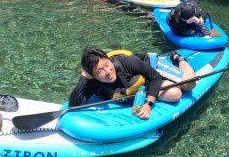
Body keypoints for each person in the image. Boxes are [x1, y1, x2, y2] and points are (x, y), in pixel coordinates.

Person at [68, 48, 196, 120]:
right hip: (140, 85)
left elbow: (154, 77)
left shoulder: (126, 62)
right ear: (92, 75)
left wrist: (148, 104)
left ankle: (179, 59)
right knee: (175, 94)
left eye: (107, 64)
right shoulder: (93, 81)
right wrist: (84, 77)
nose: (108, 72)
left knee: (189, 84)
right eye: (100, 71)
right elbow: (74, 104)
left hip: (152, 65)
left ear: (108, 59)